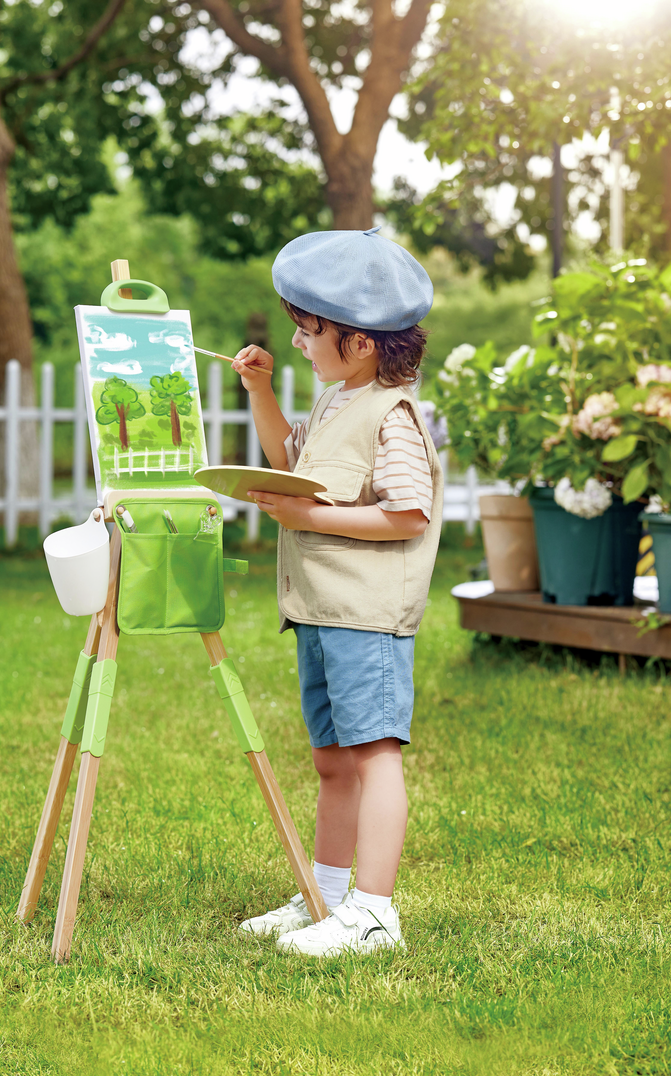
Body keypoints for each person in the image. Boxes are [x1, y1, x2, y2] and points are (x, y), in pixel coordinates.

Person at [234, 227, 442, 957]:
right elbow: (287, 458)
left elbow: (409, 514)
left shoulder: (393, 416)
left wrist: (310, 518)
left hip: (367, 616)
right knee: (332, 759)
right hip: (321, 611)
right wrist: (259, 391)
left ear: (359, 342)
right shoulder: (335, 401)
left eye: (308, 330)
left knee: (374, 754)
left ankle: (375, 914)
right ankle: (324, 895)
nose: (296, 341)